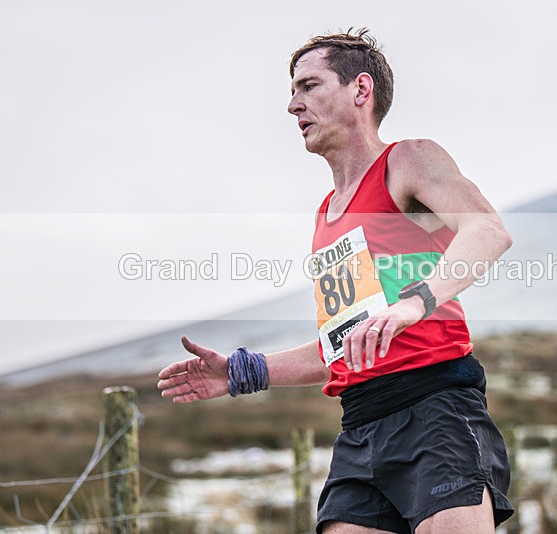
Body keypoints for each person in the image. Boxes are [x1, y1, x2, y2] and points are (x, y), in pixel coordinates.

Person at [157, 29, 514, 534]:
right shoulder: (327, 215)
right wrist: (242, 371)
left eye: (308, 86)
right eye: (292, 91)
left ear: (360, 90)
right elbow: (342, 343)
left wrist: (414, 303)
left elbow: (487, 229)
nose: (292, 105)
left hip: (435, 408)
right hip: (360, 428)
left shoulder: (407, 160)